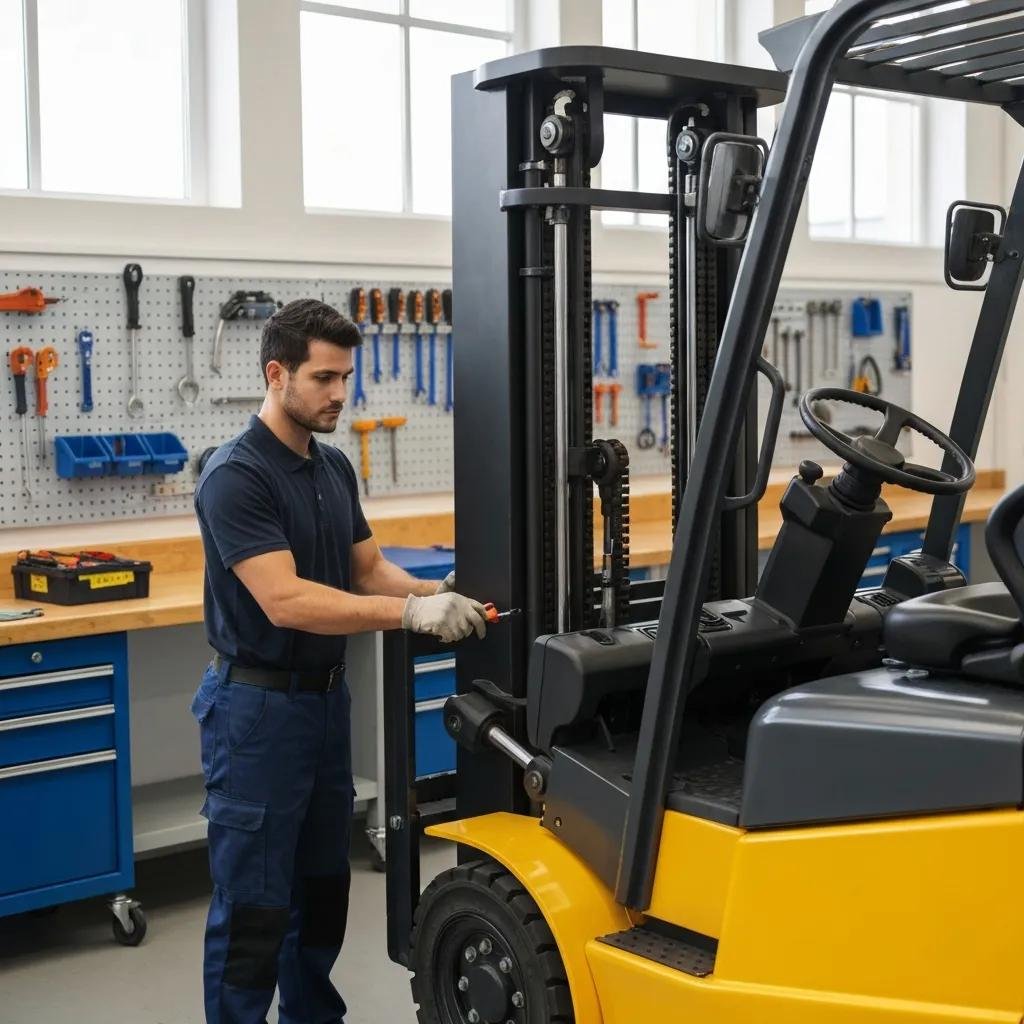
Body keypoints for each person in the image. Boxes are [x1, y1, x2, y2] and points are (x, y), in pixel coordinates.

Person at [189, 298, 486, 1023]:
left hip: (325, 703)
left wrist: (435, 591)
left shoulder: (332, 467)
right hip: (255, 713)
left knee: (322, 890)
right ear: (276, 373)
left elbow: (366, 570)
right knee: (256, 902)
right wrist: (409, 614)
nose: (337, 394)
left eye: (345, 378)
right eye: (323, 378)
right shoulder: (237, 476)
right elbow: (285, 600)